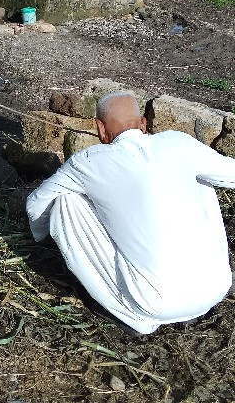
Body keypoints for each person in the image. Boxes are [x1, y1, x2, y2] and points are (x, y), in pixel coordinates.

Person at [26, 91, 235, 335]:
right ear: (143, 124)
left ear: (100, 129)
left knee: (65, 202)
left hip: (155, 304)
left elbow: (35, 204)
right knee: (204, 174)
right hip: (215, 289)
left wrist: (42, 238)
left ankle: (131, 318)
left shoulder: (87, 161)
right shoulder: (181, 143)